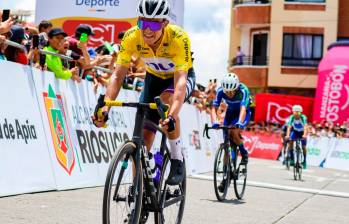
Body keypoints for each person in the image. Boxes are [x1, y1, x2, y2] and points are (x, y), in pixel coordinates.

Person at [92, 0, 196, 186]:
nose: (147, 30)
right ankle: (137, 191)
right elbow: (117, 76)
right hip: (154, 79)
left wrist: (172, 115)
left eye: (154, 24)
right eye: (143, 23)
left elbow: (180, 81)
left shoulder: (179, 38)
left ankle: (176, 159)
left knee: (166, 102)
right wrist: (105, 107)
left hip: (178, 79)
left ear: (165, 23)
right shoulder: (132, 36)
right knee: (144, 137)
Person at [210, 73, 251, 192]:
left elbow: (243, 108)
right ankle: (225, 178)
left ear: (237, 87)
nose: (229, 94)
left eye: (231, 91)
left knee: (233, 132)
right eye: (227, 92)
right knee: (227, 144)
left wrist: (239, 122)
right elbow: (214, 107)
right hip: (230, 113)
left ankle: (244, 153)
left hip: (242, 113)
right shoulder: (220, 91)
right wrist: (215, 122)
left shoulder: (243, 91)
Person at [285, 105, 308, 169]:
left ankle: (304, 161)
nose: (296, 113)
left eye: (298, 112)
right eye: (295, 112)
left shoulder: (303, 117)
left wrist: (305, 134)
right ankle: (292, 159)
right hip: (295, 132)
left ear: (300, 112)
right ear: (293, 112)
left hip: (302, 132)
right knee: (290, 143)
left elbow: (305, 126)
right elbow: (289, 127)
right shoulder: (291, 117)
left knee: (303, 147)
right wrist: (287, 135)